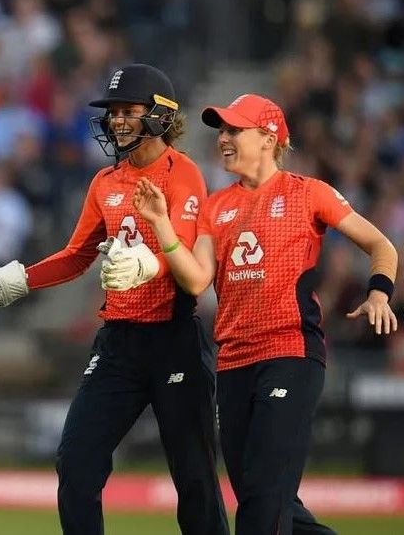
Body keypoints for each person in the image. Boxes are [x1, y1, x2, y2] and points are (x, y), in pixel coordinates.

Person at [0, 64, 228, 535]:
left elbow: (188, 259)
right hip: (117, 343)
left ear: (160, 115)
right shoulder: (105, 183)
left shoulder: (185, 175)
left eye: (129, 110)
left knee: (193, 476)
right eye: (114, 111)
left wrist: (150, 263)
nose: (117, 120)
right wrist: (14, 282)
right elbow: (76, 256)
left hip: (174, 337)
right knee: (76, 464)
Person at [127, 93, 397, 534]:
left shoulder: (309, 193)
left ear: (269, 137)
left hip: (290, 353)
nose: (224, 139)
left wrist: (380, 293)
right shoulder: (215, 206)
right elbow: (196, 281)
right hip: (233, 364)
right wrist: (160, 224)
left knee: (262, 503)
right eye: (222, 131)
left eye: (235, 130)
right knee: (267, 499)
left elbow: (381, 245)